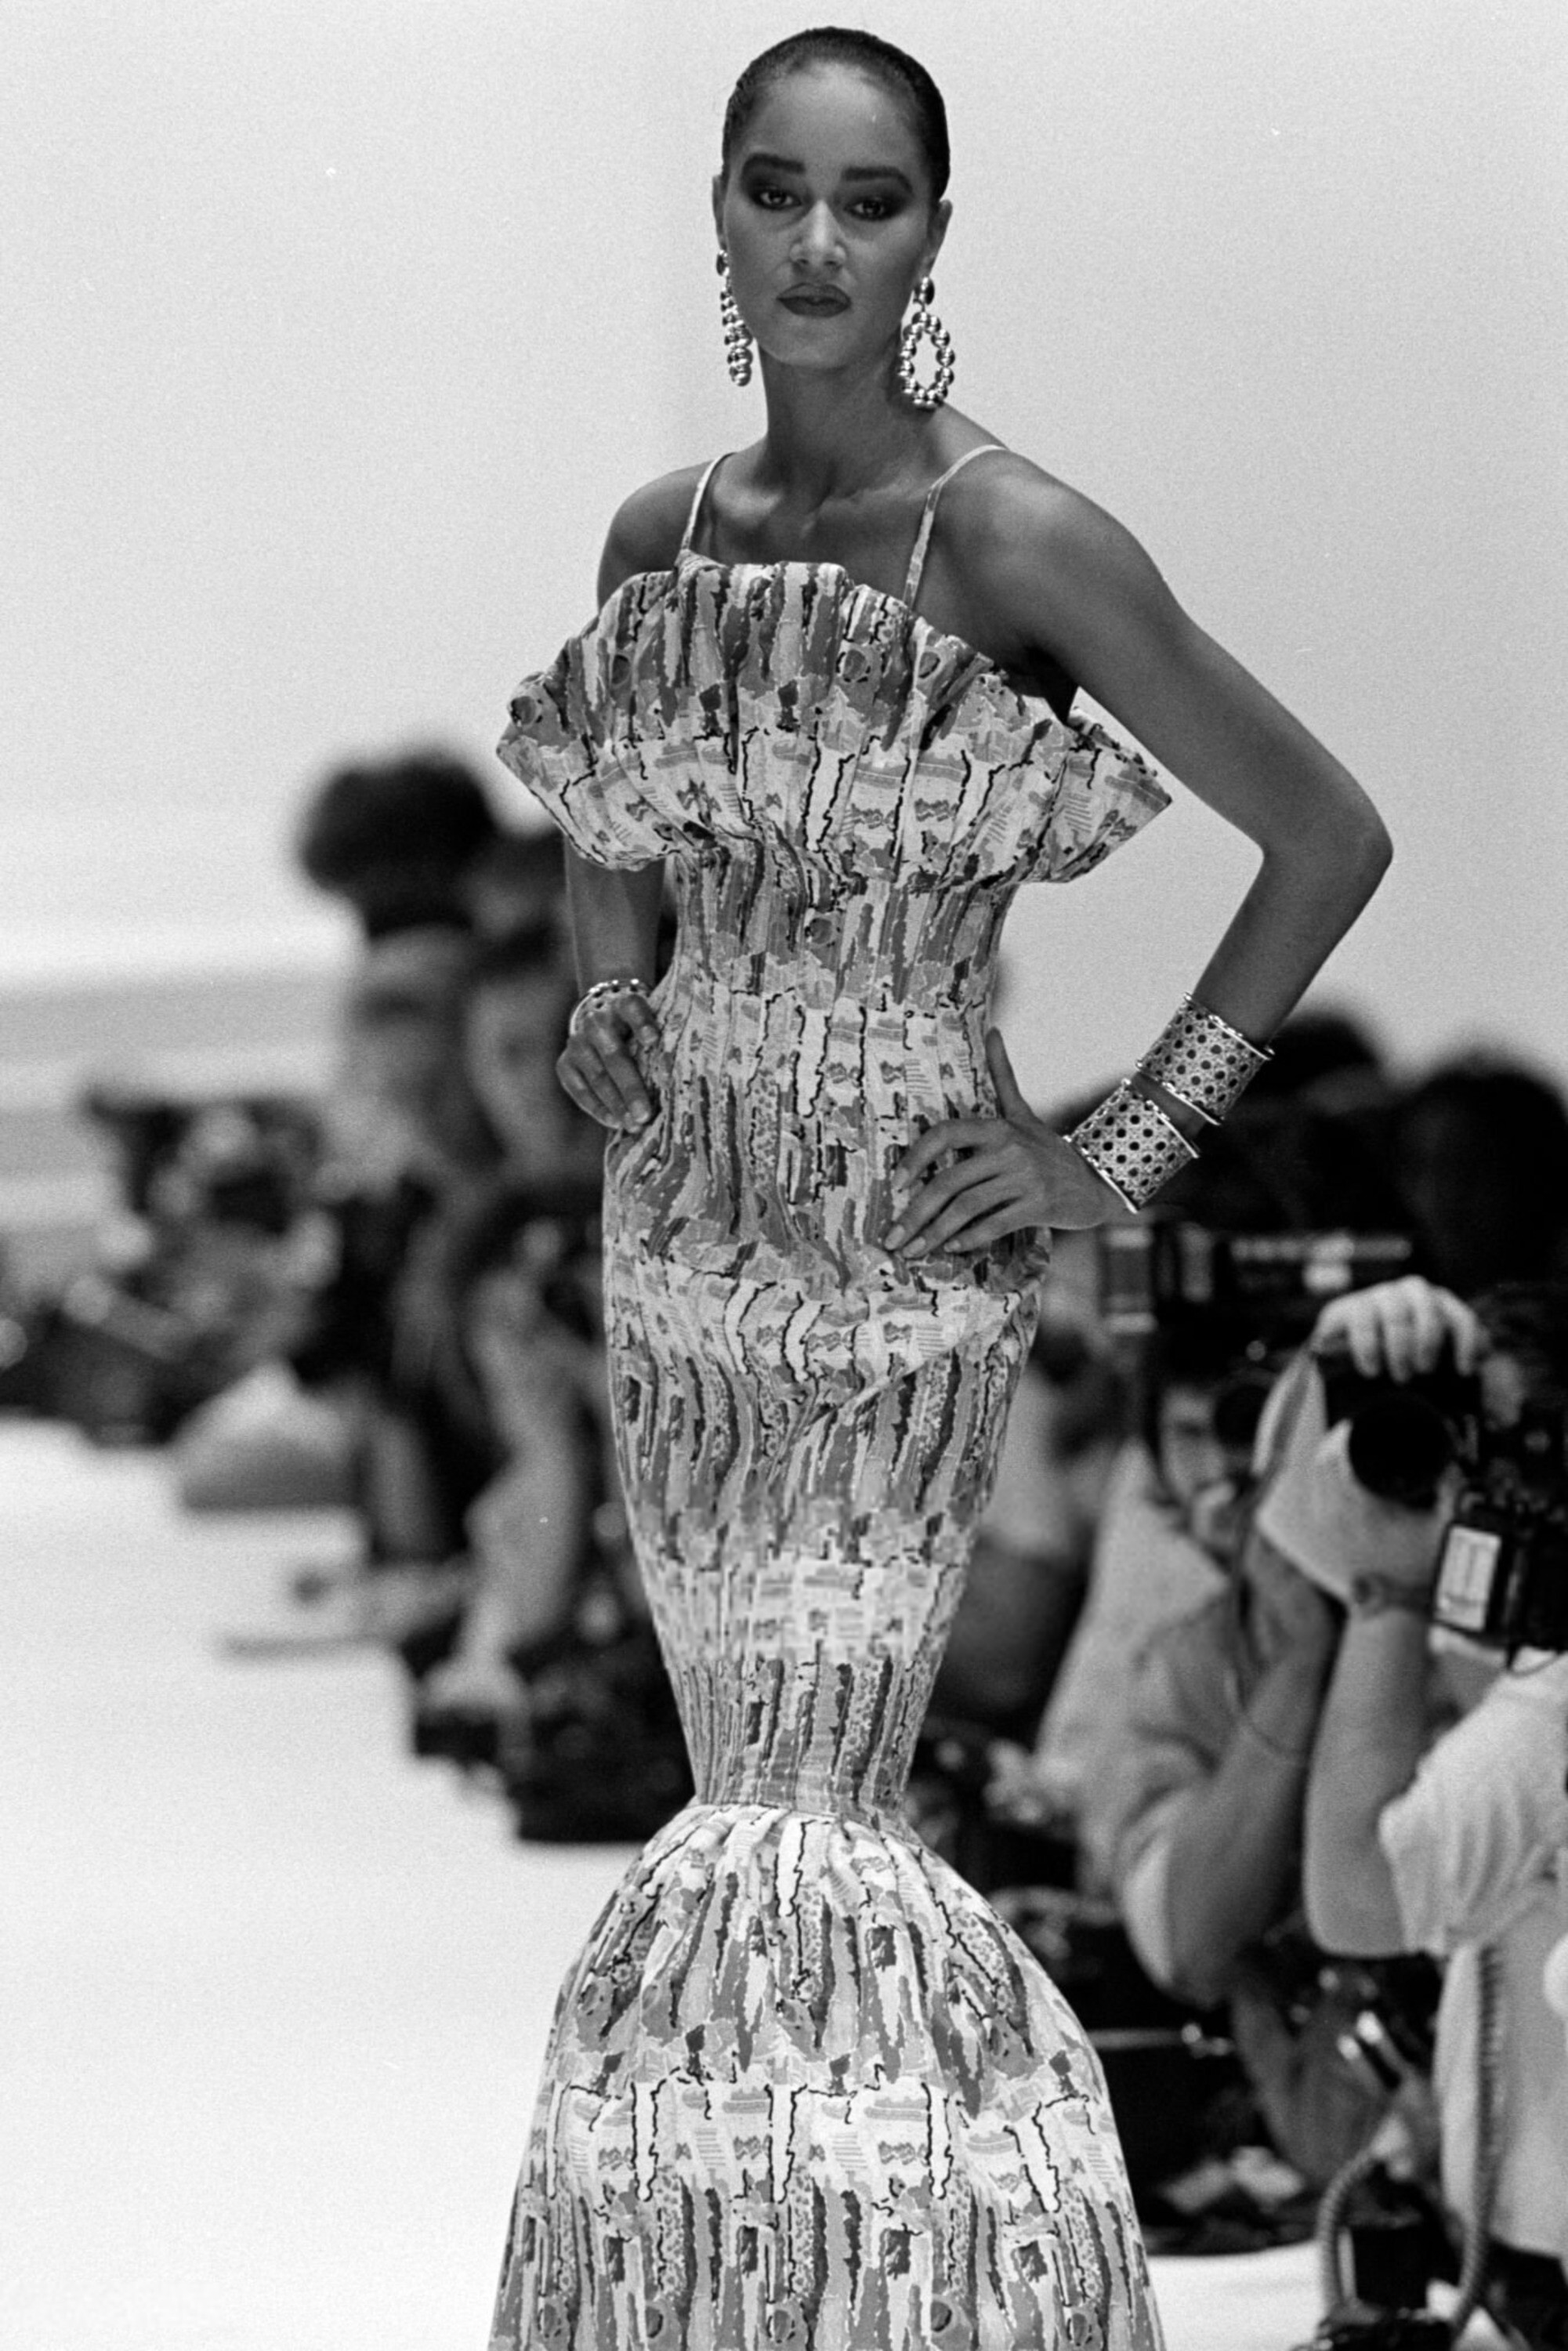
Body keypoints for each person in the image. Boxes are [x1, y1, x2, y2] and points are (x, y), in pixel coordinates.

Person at [487, 27, 1390, 2347]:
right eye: (774, 192)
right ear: (714, 211)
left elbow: (1324, 838)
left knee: (813, 1807)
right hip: (683, 1243)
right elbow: (608, 814)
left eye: (866, 202)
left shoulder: (1011, 538)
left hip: (907, 1245)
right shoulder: (661, 538)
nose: (815, 244)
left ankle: (962, 2290)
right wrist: (611, 1000)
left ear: (931, 237)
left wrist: (1121, 1150)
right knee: (742, 1789)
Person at [1302, 1284, 1568, 2348]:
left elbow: (1354, 1897)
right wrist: (1345, 1365)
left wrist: (1390, 1597)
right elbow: (1309, 1503)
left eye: (1489, 1452)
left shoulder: (1553, 1702)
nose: (1454, 1487)